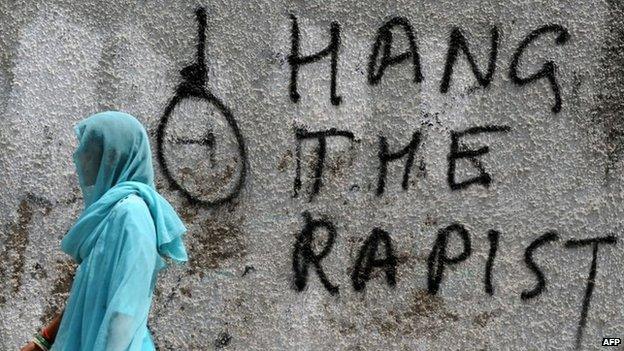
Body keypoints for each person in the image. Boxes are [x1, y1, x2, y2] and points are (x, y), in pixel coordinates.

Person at [20, 111, 189, 351]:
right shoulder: (111, 214)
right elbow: (90, 295)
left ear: (115, 156)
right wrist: (44, 340)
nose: (80, 157)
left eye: (91, 150)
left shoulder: (132, 214)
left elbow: (125, 310)